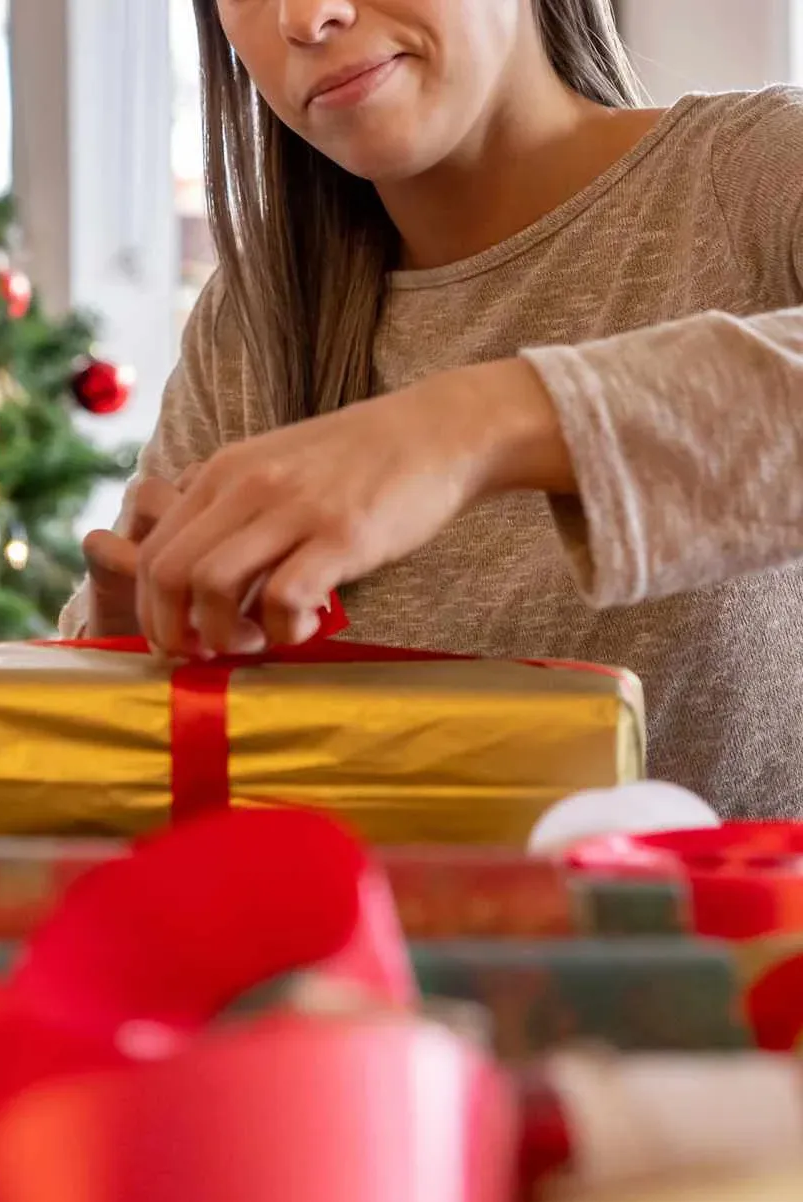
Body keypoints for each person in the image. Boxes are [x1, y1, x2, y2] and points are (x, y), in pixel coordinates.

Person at [65, 0, 803, 815]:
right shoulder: (253, 323)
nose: (306, 17)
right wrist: (123, 652)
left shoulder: (756, 178)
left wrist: (475, 426)